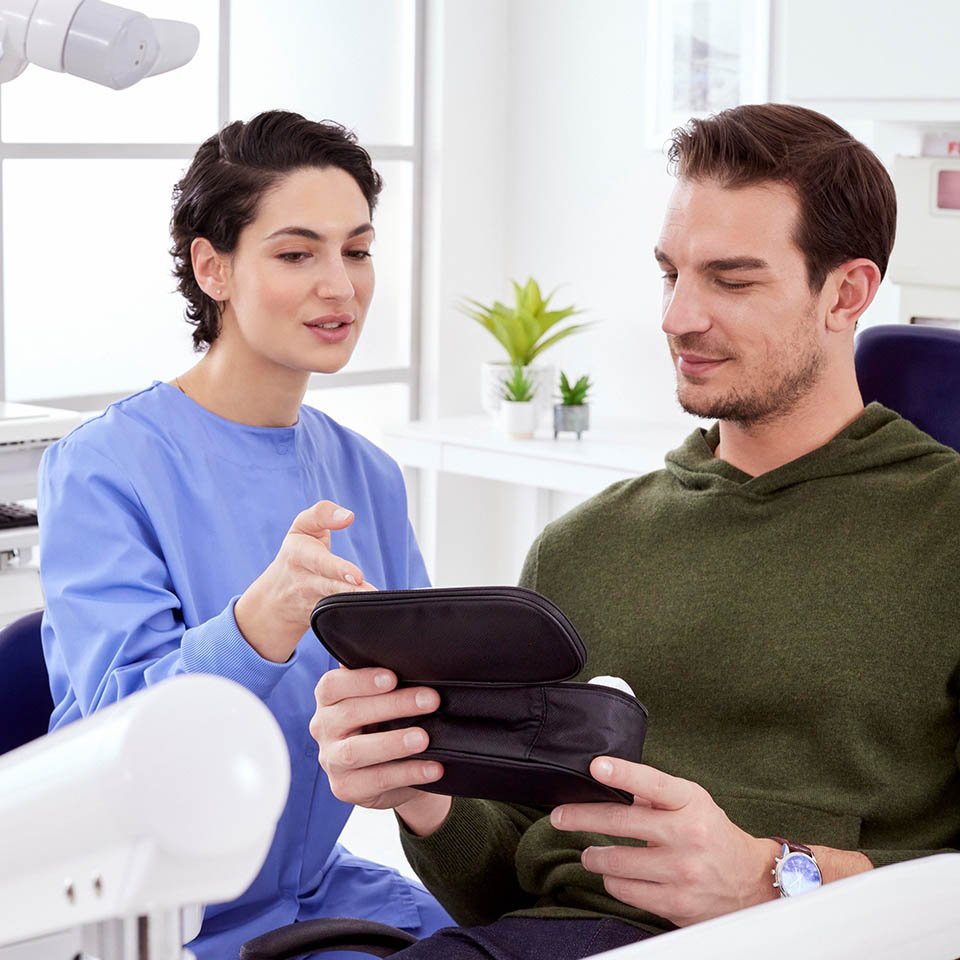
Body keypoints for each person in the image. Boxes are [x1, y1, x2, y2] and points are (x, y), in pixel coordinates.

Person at [309, 103, 960, 958]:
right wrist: (421, 790)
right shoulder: (584, 546)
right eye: (670, 275)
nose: (677, 318)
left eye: (731, 280)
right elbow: (505, 880)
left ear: (847, 293)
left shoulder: (940, 531)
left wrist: (774, 877)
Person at [38, 110, 452, 959]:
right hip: (145, 914)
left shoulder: (366, 474)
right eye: (297, 253)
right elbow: (117, 740)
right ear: (213, 266)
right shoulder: (102, 467)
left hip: (315, 891)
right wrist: (257, 625)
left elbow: (425, 698)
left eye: (358, 249)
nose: (339, 285)